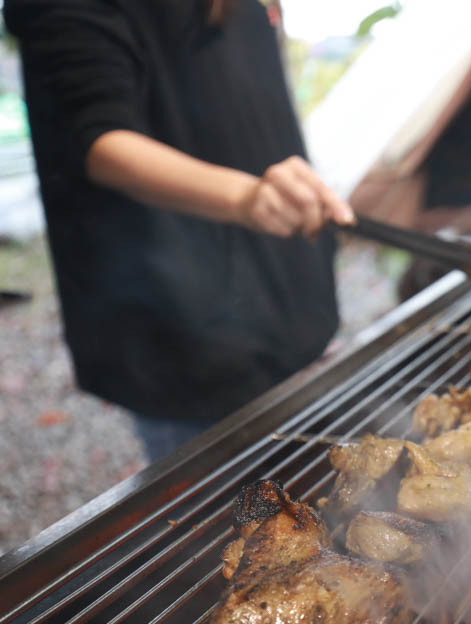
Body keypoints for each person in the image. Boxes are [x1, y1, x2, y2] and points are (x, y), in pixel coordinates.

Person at [3, 0, 355, 462]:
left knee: (313, 475)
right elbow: (100, 139)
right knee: (224, 494)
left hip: (283, 307)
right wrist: (247, 197)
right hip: (182, 327)